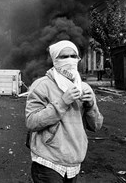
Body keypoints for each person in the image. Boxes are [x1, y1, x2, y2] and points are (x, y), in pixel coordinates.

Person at [25, 40, 104, 183]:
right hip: (48, 162)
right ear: (55, 59)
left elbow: (96, 126)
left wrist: (91, 105)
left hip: (74, 162)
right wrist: (62, 102)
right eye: (64, 56)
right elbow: (31, 122)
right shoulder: (41, 86)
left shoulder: (84, 87)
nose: (70, 60)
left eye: (73, 56)